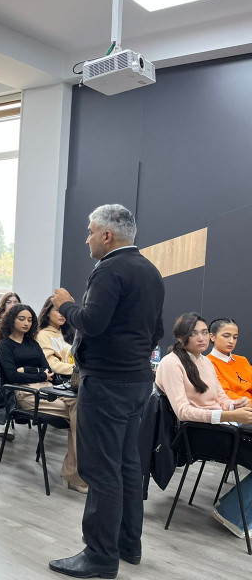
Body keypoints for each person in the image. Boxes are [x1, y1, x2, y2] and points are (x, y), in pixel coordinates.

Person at [49, 204, 164, 578]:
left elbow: (92, 322)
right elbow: (156, 331)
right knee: (128, 464)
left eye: (89, 231)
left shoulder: (110, 269)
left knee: (100, 469)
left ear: (107, 235)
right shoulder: (150, 270)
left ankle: (99, 555)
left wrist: (65, 304)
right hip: (137, 382)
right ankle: (129, 544)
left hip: (108, 383)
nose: (86, 239)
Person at [155, 313, 252, 539]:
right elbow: (183, 412)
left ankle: (234, 509)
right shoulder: (172, 363)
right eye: (193, 333)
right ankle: (233, 513)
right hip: (197, 433)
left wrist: (236, 403)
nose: (200, 338)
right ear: (181, 336)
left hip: (220, 428)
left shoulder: (204, 361)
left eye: (203, 333)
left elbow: (220, 399)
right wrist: (229, 414)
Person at [0, 303, 86, 493]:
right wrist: (39, 373)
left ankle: (75, 474)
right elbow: (12, 376)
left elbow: (49, 372)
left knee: (82, 407)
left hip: (47, 388)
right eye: (21, 319)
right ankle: (75, 475)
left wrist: (29, 371)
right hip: (24, 393)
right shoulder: (5, 345)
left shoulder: (33, 343)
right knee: (79, 414)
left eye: (29, 319)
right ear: (11, 320)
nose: (26, 323)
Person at [207, 318, 252, 403]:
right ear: (212, 337)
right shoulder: (208, 363)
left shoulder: (242, 360)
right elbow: (224, 394)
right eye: (226, 336)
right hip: (235, 409)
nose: (231, 341)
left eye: (235, 337)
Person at [37, 297, 76, 377]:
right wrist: (77, 370)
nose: (62, 315)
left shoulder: (69, 333)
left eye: (64, 311)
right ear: (48, 313)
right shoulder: (42, 335)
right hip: (60, 381)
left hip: (75, 377)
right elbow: (50, 363)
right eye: (58, 310)